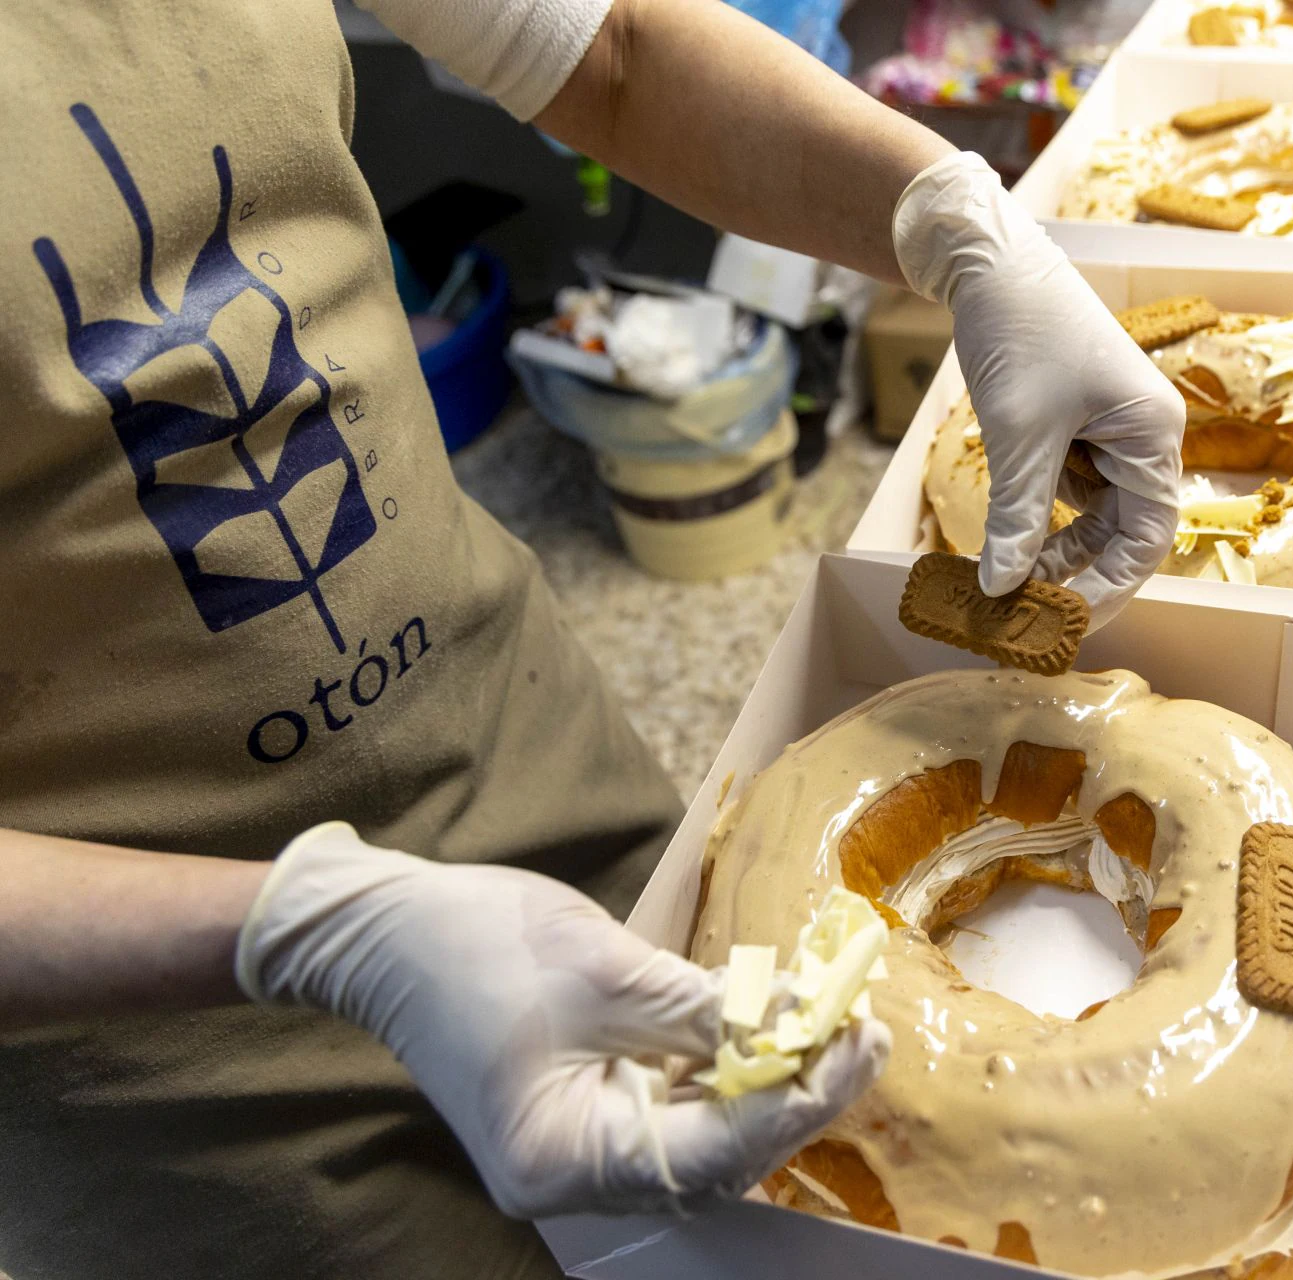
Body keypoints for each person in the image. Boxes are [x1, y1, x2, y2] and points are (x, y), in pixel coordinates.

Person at [0, 1, 1183, 1277]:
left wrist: (948, 220)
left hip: (529, 747)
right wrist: (317, 926)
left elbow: (610, 53)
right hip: (180, 1034)